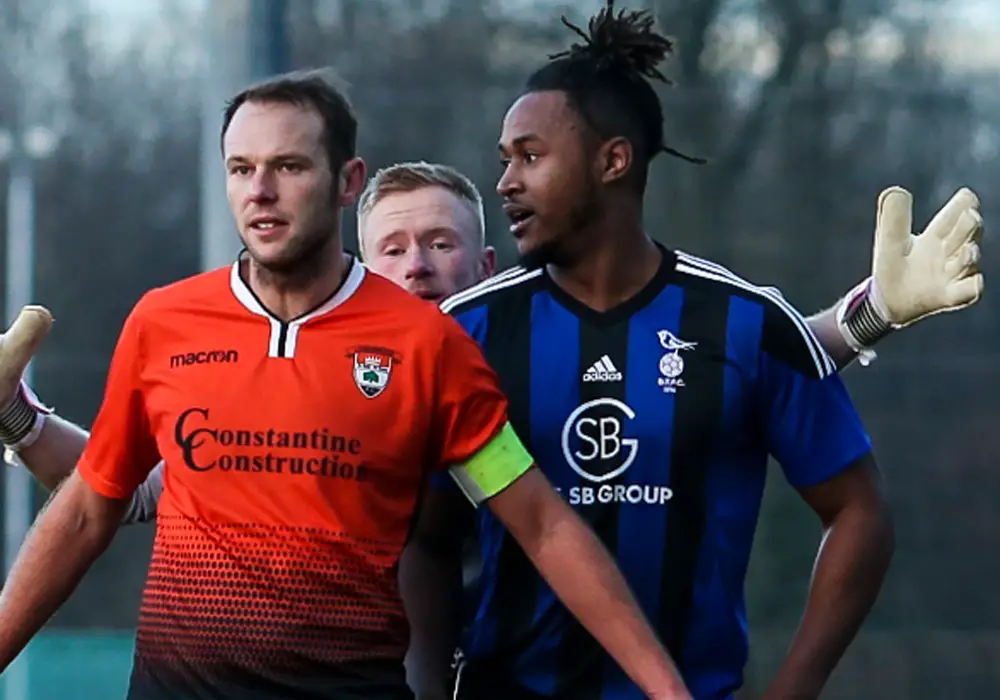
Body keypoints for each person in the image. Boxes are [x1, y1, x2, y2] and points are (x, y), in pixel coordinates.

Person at [0, 136, 984, 698]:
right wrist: (16, 418)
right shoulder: (312, 398)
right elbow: (138, 492)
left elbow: (716, 363)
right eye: (393, 248)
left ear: (485, 270)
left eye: (440, 245)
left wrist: (865, 316)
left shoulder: (504, 356)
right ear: (356, 265)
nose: (418, 265)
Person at [0, 69, 697, 700]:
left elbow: (541, 525)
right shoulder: (164, 322)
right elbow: (91, 508)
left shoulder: (428, 347)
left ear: (348, 179)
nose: (260, 191)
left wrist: (668, 692)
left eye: (289, 166)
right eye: (241, 169)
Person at [428, 3, 982, 700]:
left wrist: (792, 690)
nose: (506, 181)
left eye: (531, 157)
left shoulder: (743, 321)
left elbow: (858, 513)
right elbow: (424, 536)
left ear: (613, 160)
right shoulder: (468, 331)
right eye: (504, 160)